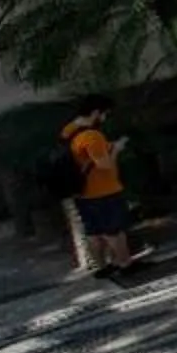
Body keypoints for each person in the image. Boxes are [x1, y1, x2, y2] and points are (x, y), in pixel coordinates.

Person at [60, 96, 135, 276]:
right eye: (104, 114)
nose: (105, 118)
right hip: (103, 190)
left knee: (93, 232)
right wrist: (116, 149)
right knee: (114, 230)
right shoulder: (92, 136)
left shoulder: (68, 131)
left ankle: (101, 268)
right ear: (95, 113)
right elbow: (104, 164)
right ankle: (125, 264)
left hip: (81, 192)